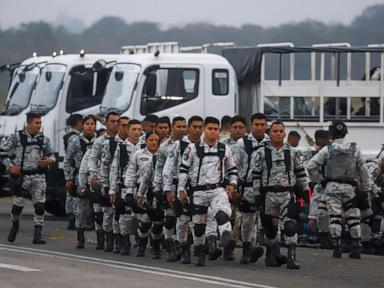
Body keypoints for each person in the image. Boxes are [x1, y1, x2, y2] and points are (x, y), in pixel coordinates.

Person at [178, 116, 238, 267]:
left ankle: (226, 235)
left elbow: (232, 169)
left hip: (217, 189)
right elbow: (183, 170)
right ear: (204, 130)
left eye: (216, 129)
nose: (213, 132)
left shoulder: (224, 149)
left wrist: (232, 184)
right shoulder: (192, 148)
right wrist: (181, 190)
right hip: (198, 192)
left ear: (219, 131)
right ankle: (199, 251)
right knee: (199, 227)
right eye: (210, 129)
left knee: (221, 212)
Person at [307, 120, 370, 259]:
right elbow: (363, 170)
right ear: (345, 132)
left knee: (334, 218)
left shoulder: (327, 149)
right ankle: (356, 248)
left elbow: (311, 166)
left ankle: (337, 247)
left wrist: (320, 180)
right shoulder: (355, 148)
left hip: (332, 188)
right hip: (350, 188)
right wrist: (365, 188)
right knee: (353, 217)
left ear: (331, 134)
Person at [252, 121, 307, 269]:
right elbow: (256, 175)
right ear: (269, 134)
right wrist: (257, 196)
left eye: (280, 131)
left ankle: (292, 256)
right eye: (274, 131)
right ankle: (272, 254)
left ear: (284, 133)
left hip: (287, 194)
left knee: (290, 226)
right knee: (270, 230)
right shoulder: (261, 152)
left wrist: (304, 192)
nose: (277, 133)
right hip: (268, 196)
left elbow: (301, 173)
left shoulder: (293, 152)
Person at [3, 112, 55, 244]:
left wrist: (50, 160)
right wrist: (10, 167)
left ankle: (38, 233)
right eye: (36, 123)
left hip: (39, 176)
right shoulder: (16, 137)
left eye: (40, 123)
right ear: (29, 123)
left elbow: (52, 155)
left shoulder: (44, 139)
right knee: (17, 206)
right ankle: (15, 224)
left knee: (40, 206)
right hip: (22, 177)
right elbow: (2, 152)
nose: (39, 125)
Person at [162, 115, 204, 264]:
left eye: (200, 127)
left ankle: (197, 249)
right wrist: (168, 190)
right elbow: (168, 167)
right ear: (189, 128)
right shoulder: (178, 145)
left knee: (198, 220)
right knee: (180, 219)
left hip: (199, 188)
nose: (198, 130)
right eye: (194, 127)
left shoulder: (206, 145)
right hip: (179, 186)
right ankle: (180, 248)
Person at [234, 113, 269, 264]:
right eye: (257, 124)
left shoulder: (271, 142)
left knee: (268, 220)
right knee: (248, 221)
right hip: (247, 187)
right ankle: (247, 249)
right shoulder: (242, 143)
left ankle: (270, 250)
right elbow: (235, 165)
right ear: (251, 125)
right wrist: (234, 186)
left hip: (266, 188)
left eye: (263, 124)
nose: (260, 127)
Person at [152, 116, 187, 262]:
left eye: (184, 126)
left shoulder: (191, 145)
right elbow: (159, 168)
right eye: (179, 126)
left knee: (184, 218)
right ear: (172, 127)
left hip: (185, 186)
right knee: (169, 218)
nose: (182, 129)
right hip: (170, 185)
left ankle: (182, 245)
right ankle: (170, 245)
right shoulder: (164, 147)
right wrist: (158, 188)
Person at [109, 119, 143, 256]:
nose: (137, 132)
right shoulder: (121, 147)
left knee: (142, 215)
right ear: (127, 131)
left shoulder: (145, 146)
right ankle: (125, 241)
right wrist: (112, 189)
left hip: (141, 186)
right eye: (133, 129)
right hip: (125, 186)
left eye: (139, 130)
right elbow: (115, 168)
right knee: (126, 215)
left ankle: (141, 241)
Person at [124, 131, 161, 258]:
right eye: (151, 140)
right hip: (142, 190)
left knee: (158, 221)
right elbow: (130, 173)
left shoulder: (162, 155)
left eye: (156, 140)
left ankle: (155, 246)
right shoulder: (138, 154)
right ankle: (141, 245)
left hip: (157, 191)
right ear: (146, 141)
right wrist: (129, 191)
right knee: (145, 220)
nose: (154, 142)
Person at [88, 111, 120, 251]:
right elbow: (93, 159)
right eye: (112, 121)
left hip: (119, 180)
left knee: (119, 212)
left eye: (117, 121)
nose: (115, 124)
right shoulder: (99, 141)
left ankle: (120, 240)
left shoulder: (123, 140)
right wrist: (93, 175)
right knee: (106, 213)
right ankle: (107, 239)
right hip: (104, 180)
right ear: (106, 123)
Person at [64, 115, 97, 248]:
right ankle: (80, 236)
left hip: (96, 177)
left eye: (92, 124)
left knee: (98, 208)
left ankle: (102, 237)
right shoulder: (75, 141)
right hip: (79, 177)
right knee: (81, 208)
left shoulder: (100, 141)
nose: (90, 126)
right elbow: (67, 160)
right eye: (87, 124)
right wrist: (68, 178)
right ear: (82, 125)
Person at [63, 113, 83, 230]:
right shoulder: (74, 137)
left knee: (70, 194)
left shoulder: (68, 134)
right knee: (74, 194)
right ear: (78, 122)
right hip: (73, 168)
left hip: (70, 168)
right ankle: (74, 217)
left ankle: (71, 216)